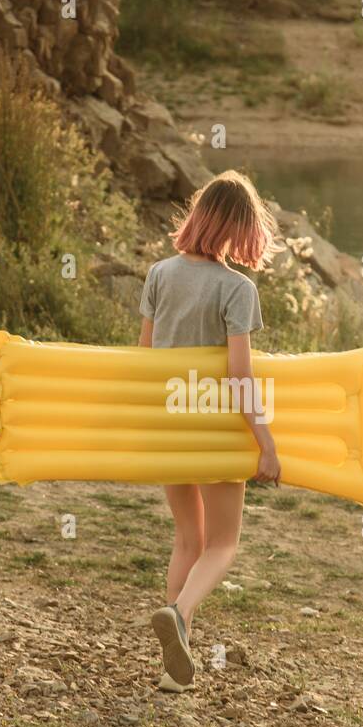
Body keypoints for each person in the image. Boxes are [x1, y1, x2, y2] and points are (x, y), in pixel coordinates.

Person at [138, 170, 282, 690]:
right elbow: (239, 376)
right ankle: (178, 614)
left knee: (187, 538)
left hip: (169, 426)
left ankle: (174, 668)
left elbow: (145, 359)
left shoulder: (159, 274)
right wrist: (266, 443)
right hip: (215, 429)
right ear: (241, 229)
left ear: (198, 215)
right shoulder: (237, 289)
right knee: (223, 543)